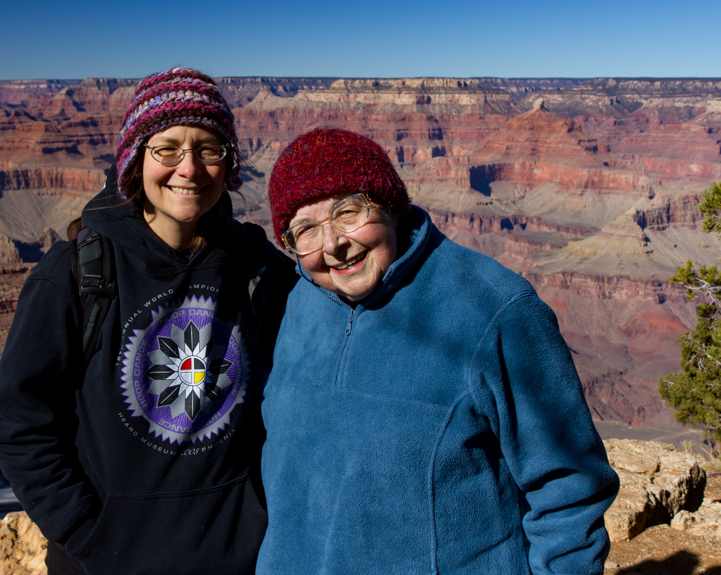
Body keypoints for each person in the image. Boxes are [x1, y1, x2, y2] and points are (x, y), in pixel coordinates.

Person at [257, 128, 619, 575]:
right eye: (306, 229)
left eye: (348, 212)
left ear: (390, 204)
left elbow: (569, 488)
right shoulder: (299, 303)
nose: (333, 244)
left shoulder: (496, 309)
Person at [0, 68, 294, 575]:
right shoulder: (75, 273)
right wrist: (89, 532)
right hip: (105, 561)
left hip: (239, 560)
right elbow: (21, 424)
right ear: (135, 159)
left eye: (209, 148)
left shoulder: (258, 268)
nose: (189, 169)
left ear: (230, 164)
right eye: (167, 149)